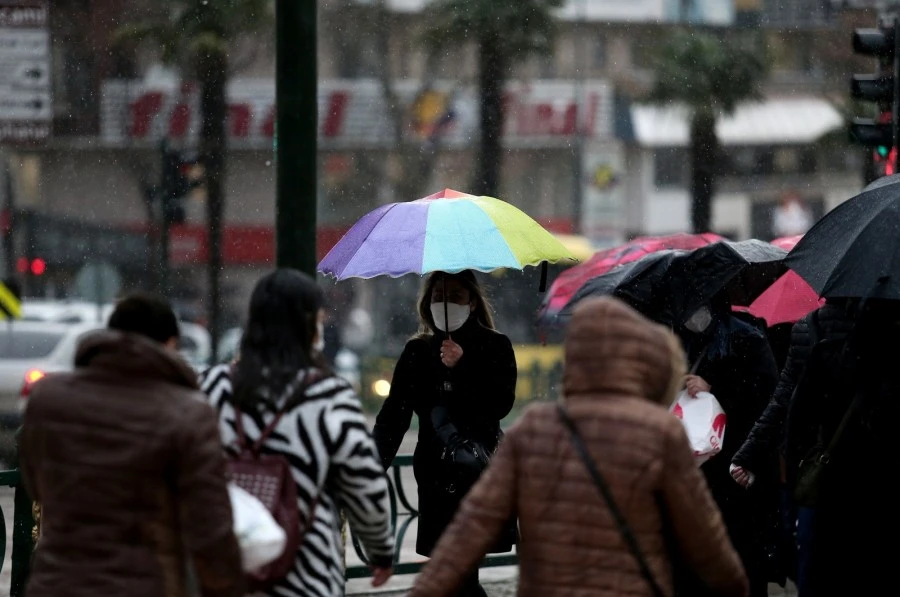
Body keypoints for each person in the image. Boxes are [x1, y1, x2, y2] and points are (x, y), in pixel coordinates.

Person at [408, 297, 748, 597]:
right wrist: (734, 583)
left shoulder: (534, 430)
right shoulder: (658, 434)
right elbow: (703, 537)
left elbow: (473, 526)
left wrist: (429, 587)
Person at [19, 293, 244, 597]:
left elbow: (36, 484)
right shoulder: (188, 413)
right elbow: (209, 525)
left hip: (59, 582)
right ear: (170, 343)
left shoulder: (48, 400)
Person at [199, 269, 394, 596]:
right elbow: (365, 483)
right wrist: (381, 550)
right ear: (309, 325)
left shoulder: (211, 386)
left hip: (224, 566)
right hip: (305, 573)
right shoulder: (329, 396)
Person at [373, 270, 517, 597]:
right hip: (435, 476)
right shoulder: (417, 352)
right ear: (426, 303)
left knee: (458, 571)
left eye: (455, 296)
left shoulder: (495, 345)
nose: (446, 304)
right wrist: (369, 467)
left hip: (478, 474)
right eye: (438, 297)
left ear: (473, 301)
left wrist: (463, 368)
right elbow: (394, 416)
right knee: (453, 571)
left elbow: (499, 405)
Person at [675, 293, 778, 597]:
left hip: (738, 464)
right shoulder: (685, 340)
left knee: (741, 547)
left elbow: (765, 400)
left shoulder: (746, 338)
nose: (692, 314)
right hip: (700, 463)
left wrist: (714, 389)